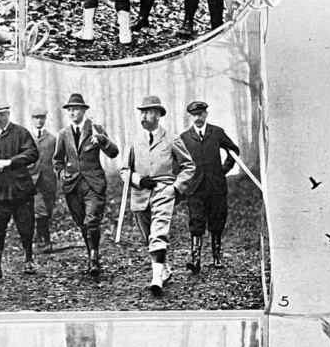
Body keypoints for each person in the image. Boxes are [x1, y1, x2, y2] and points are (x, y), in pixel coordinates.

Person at [120, 95, 196, 295]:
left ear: (158, 115)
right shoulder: (135, 140)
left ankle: (156, 280)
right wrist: (137, 180)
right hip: (140, 195)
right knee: (149, 237)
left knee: (158, 233)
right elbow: (124, 170)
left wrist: (175, 187)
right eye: (142, 112)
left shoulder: (171, 138)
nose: (143, 116)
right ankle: (163, 268)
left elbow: (188, 166)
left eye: (148, 112)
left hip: (163, 191)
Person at [52, 92, 120, 277]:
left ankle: (93, 260)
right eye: (70, 109)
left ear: (83, 110)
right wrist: (61, 175)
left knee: (92, 221)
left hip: (93, 184)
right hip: (72, 186)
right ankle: (91, 252)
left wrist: (103, 141)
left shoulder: (96, 129)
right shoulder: (63, 134)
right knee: (83, 223)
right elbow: (57, 161)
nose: (72, 112)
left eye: (76, 109)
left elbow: (114, 153)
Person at [0, 100, 39, 279]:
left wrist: (11, 162)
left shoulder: (21, 133)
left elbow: (32, 153)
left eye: (1, 114)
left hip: (21, 188)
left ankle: (28, 259)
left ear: (8, 114)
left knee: (26, 225)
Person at [180, 101, 240, 272]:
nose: (198, 118)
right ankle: (196, 259)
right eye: (194, 115)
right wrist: (182, 182)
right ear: (191, 117)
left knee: (217, 220)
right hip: (195, 186)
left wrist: (224, 169)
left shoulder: (217, 133)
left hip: (216, 185)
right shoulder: (184, 138)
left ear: (206, 114)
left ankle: (217, 257)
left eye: (200, 114)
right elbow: (178, 162)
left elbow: (233, 151)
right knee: (196, 221)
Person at [29, 106, 58, 252]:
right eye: (36, 117)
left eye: (42, 117)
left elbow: (57, 159)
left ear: (45, 119)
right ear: (32, 119)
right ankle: (45, 242)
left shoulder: (52, 139)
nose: (39, 120)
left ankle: (39, 237)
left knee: (48, 210)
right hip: (32, 180)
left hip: (48, 180)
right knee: (39, 210)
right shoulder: (26, 138)